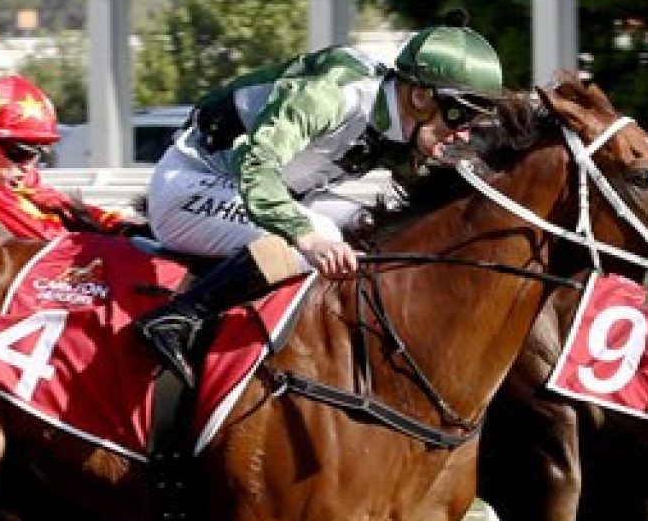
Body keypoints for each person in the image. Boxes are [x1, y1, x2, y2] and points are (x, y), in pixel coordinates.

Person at [135, 23, 505, 386]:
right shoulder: (333, 93)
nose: (465, 131)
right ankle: (177, 318)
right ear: (421, 96)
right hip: (189, 187)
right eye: (462, 113)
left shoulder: (408, 124)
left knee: (368, 227)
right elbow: (258, 171)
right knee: (321, 234)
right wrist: (307, 238)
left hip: (268, 192)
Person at [0, 74, 137, 240]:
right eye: (20, 153)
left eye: (38, 153)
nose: (27, 166)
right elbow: (0, 205)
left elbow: (45, 199)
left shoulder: (10, 163)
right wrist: (75, 243)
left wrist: (113, 222)